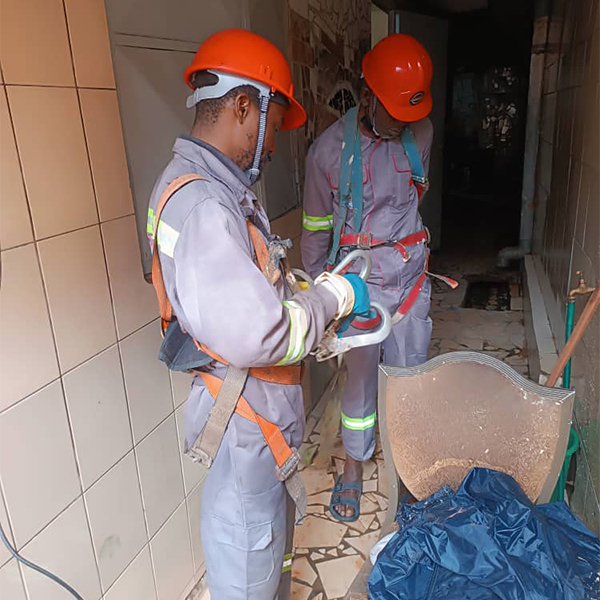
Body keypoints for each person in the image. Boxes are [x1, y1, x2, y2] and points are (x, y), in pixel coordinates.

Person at [147, 29, 370, 600]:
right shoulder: (204, 206)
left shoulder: (218, 193)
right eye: (272, 126)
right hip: (244, 422)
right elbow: (261, 332)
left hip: (253, 417)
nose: (271, 146)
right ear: (245, 107)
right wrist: (335, 299)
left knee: (269, 557)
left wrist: (306, 296)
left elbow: (250, 290)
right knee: (250, 568)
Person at [301, 34, 446, 522]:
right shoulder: (327, 154)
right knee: (360, 384)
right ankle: (353, 464)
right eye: (395, 113)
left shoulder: (421, 133)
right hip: (360, 288)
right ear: (368, 96)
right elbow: (315, 233)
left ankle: (410, 469)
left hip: (409, 281)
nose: (404, 122)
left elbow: (412, 198)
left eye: (410, 113)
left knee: (410, 376)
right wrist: (322, 300)